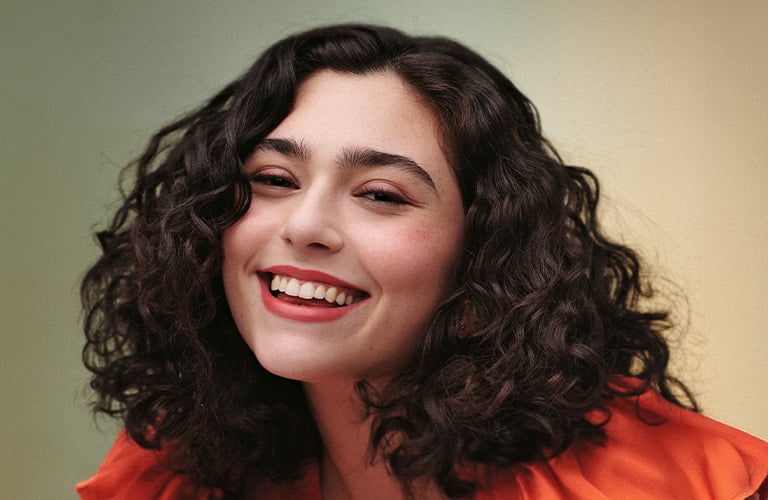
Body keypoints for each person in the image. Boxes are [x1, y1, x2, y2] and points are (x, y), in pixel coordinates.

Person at [77, 24, 768, 499]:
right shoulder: (170, 475)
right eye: (275, 180)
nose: (307, 225)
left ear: (485, 255)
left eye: (380, 194)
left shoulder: (686, 486)